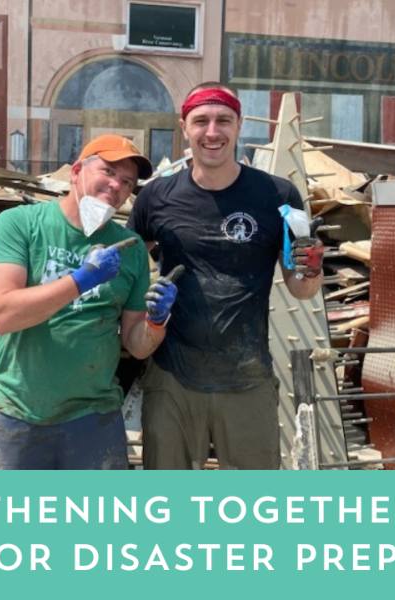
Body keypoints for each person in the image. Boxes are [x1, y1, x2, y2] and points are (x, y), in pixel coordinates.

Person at [127, 83, 324, 470]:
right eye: (201, 121)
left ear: (240, 125)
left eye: (223, 121)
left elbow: (301, 287)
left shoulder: (278, 195)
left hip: (248, 378)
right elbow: (129, 268)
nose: (212, 132)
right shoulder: (157, 197)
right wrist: (144, 310)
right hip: (172, 379)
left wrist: (312, 267)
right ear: (184, 127)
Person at [0, 134, 179, 470]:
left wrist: (156, 322)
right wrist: (80, 281)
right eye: (108, 171)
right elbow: (2, 315)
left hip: (94, 419)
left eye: (127, 181)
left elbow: (137, 346)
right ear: (76, 171)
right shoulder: (20, 224)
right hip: (18, 413)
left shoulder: (129, 247)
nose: (116, 184)